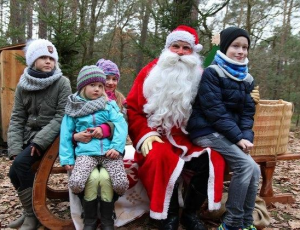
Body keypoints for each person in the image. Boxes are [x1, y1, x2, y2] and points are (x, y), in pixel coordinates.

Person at [126, 25, 226, 230]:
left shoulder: (201, 76)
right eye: (175, 46)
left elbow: (216, 106)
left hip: (189, 137)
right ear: (167, 48)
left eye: (186, 48)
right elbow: (133, 109)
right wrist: (145, 135)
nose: (180, 52)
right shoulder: (150, 71)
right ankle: (167, 216)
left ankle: (191, 213)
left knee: (212, 158)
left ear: (193, 52)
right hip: (156, 135)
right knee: (159, 157)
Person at [187, 27, 260, 230]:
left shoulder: (247, 79)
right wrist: (237, 137)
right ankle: (231, 223)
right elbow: (214, 112)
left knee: (254, 169)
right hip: (206, 131)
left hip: (229, 133)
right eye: (235, 46)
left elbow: (247, 113)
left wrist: (245, 136)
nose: (241, 51)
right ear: (225, 47)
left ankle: (246, 222)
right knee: (245, 166)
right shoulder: (213, 73)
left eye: (245, 47)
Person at [7, 39, 72, 230]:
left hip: (51, 139)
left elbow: (62, 115)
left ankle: (32, 215)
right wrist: (15, 148)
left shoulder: (62, 82)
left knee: (20, 165)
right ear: (33, 60)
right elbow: (17, 117)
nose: (48, 61)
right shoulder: (23, 85)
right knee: (14, 171)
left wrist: (39, 141)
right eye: (43, 57)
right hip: (28, 138)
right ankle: (30, 212)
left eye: (51, 58)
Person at [59, 65, 129, 230]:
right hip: (86, 153)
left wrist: (117, 148)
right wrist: (67, 157)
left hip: (109, 153)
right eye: (92, 85)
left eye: (100, 86)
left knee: (121, 184)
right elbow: (65, 133)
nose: (97, 89)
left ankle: (107, 214)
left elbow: (121, 125)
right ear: (83, 86)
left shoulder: (108, 104)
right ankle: (89, 217)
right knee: (76, 183)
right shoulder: (73, 108)